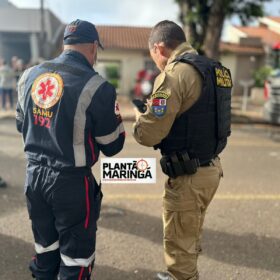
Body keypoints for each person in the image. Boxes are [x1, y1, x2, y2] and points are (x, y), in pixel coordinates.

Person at [16, 19, 125, 280]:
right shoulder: (98, 87)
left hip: (34, 178)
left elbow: (22, 124)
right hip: (71, 185)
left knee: (45, 251)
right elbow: (112, 145)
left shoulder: (29, 75)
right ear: (93, 47)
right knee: (76, 260)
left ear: (66, 44)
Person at [133, 20, 232, 280]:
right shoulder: (215, 69)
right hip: (211, 169)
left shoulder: (175, 74)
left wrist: (140, 118)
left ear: (159, 48)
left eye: (153, 55)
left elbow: (150, 133)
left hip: (188, 176)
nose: (154, 60)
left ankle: (183, 276)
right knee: (190, 232)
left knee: (179, 245)